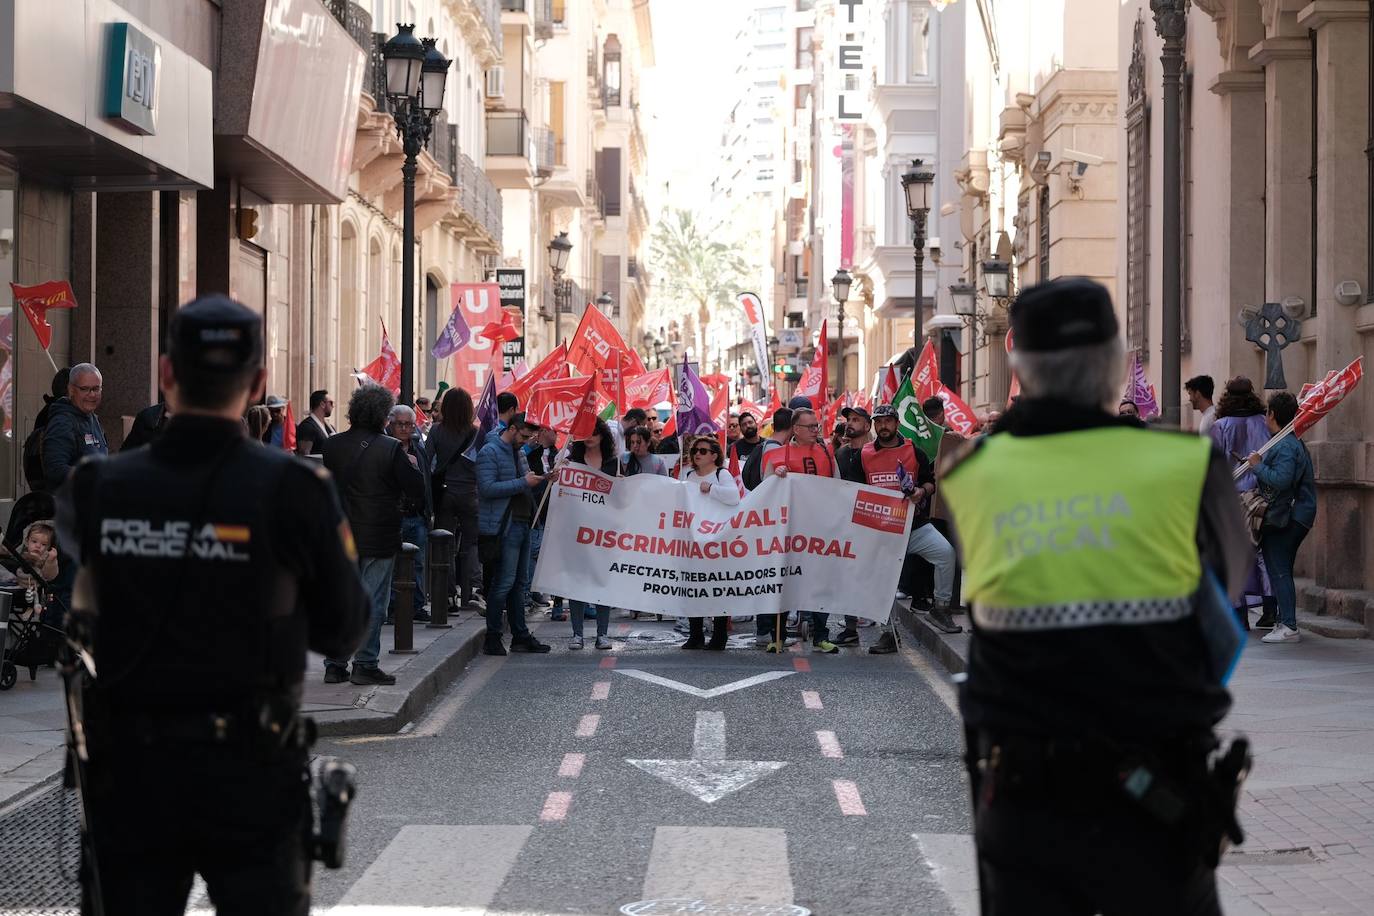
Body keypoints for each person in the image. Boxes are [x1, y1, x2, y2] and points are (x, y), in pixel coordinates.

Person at [940, 277, 1252, 916]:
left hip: (1024, 799)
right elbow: (1226, 615)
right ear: (1117, 361)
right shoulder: (1188, 465)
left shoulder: (968, 472)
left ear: (1017, 365)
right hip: (1157, 794)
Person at [57, 293, 367, 915]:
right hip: (249, 770)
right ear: (258, 383)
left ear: (167, 375)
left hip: (131, 773)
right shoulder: (297, 489)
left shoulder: (99, 487)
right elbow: (344, 631)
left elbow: (82, 612)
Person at [321, 384, 426, 686]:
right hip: (377, 536)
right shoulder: (390, 448)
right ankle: (365, 663)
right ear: (383, 415)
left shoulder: (332, 445)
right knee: (372, 601)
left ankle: (335, 663)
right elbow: (416, 488)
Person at [763, 407, 841, 654]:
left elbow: (839, 486)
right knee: (785, 582)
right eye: (810, 427)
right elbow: (765, 492)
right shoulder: (776, 455)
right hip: (790, 532)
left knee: (820, 583)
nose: (815, 430)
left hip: (820, 530)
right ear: (796, 429)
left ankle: (821, 636)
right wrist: (776, 476)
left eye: (816, 426)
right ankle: (778, 636)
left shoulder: (827, 452)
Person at [476, 412, 551, 655]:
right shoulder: (490, 451)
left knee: (520, 584)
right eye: (524, 436)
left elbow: (525, 481)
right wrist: (524, 483)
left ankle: (520, 635)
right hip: (503, 527)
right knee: (504, 583)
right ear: (512, 428)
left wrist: (545, 479)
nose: (526, 441)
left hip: (522, 523)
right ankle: (493, 636)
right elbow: (486, 488)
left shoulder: (518, 452)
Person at [1248, 391, 1317, 645]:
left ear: (1272, 414)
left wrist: (1257, 465)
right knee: (1281, 569)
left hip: (1287, 516)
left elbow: (1281, 479)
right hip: (1292, 514)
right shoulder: (1286, 440)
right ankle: (1284, 620)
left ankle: (1288, 625)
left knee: (1278, 569)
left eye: (1267, 411)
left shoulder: (1286, 444)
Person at [1211, 377, 1276, 629]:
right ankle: (1270, 609)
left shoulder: (1220, 426)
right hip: (1261, 497)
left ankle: (1240, 615)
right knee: (1263, 553)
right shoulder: (1264, 422)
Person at [563, 419, 620, 650]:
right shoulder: (573, 461)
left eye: (595, 433)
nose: (591, 437)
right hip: (576, 532)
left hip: (604, 533)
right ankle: (577, 634)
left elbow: (622, 497)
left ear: (603, 436)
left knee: (601, 582)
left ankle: (602, 634)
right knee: (577, 582)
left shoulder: (613, 463)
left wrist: (622, 485)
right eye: (587, 432)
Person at [427, 388, 484, 612]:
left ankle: (448, 595)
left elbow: (427, 460)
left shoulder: (436, 431)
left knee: (446, 545)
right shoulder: (476, 433)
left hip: (445, 493)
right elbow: (481, 464)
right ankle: (471, 591)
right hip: (471, 493)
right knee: (471, 544)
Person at [680, 435, 738, 650]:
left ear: (714, 455)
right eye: (695, 450)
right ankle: (695, 634)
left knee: (717, 586)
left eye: (703, 451)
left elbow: (734, 497)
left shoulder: (722, 474)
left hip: (717, 539)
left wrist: (711, 489)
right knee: (694, 587)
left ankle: (719, 635)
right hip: (693, 540)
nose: (697, 454)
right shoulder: (688, 475)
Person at [385, 404, 432, 624]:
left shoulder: (418, 448)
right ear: (391, 424)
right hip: (395, 515)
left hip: (417, 515)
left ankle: (417, 605)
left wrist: (428, 511)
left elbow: (426, 482)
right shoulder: (386, 448)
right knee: (394, 564)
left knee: (418, 563)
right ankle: (394, 607)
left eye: (409, 424)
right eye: (400, 424)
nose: (404, 429)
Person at [832, 406, 874, 645]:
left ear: (867, 425)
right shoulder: (841, 454)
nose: (850, 423)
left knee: (875, 576)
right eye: (848, 419)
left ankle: (888, 629)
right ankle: (850, 628)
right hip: (847, 523)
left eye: (856, 420)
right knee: (848, 576)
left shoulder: (874, 452)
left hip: (872, 523)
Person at [42, 362, 109, 492]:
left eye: (96, 389)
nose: (92, 394)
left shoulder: (93, 419)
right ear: (71, 390)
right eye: (84, 389)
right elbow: (55, 469)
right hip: (70, 506)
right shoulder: (62, 422)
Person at [524, 423, 564, 619]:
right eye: (551, 430)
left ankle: (556, 598)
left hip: (555, 508)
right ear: (541, 432)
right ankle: (532, 589)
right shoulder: (530, 454)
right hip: (535, 508)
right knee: (534, 551)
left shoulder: (562, 455)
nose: (555, 434)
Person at [296, 389, 335, 457]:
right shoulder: (307, 426)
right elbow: (304, 455)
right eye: (331, 403)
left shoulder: (330, 427)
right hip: (316, 466)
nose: (333, 406)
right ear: (322, 404)